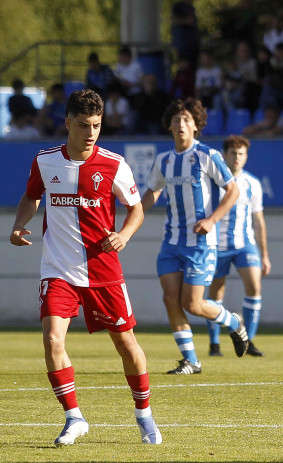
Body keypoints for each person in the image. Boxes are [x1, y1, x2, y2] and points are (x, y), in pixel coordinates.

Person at [8, 89, 161, 445]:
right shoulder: (45, 161)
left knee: (126, 344)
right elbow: (31, 196)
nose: (90, 133)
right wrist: (19, 224)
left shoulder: (114, 164)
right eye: (83, 125)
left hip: (102, 270)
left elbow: (135, 209)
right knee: (51, 338)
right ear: (67, 123)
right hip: (58, 268)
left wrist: (124, 234)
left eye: (96, 125)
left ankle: (145, 416)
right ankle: (73, 417)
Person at [140, 98, 248, 374]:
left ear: (196, 126)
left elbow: (233, 190)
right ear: (170, 126)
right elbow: (152, 191)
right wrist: (132, 216)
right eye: (176, 120)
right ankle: (191, 360)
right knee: (170, 299)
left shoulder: (207, 156)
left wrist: (212, 220)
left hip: (200, 244)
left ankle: (234, 322)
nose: (181, 124)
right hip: (172, 242)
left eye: (186, 119)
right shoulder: (163, 160)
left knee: (194, 304)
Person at [205, 136, 270, 357]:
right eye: (233, 153)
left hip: (245, 245)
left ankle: (249, 340)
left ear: (246, 157)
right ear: (224, 155)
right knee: (215, 293)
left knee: (254, 287)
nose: (237, 158)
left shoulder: (252, 183)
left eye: (241, 154)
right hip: (217, 245)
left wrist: (265, 255)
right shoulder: (214, 182)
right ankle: (214, 344)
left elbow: (258, 221)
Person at [171, 0, 200, 70]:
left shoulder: (191, 7)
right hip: (183, 42)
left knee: (193, 66)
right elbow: (173, 20)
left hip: (193, 42)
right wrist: (185, 21)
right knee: (184, 65)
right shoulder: (179, 6)